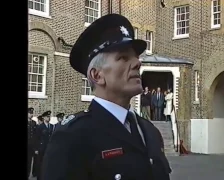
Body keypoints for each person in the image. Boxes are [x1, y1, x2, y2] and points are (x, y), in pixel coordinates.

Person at [41, 14, 171, 180]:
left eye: (136, 57)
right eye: (123, 58)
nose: (138, 63)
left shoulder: (149, 131)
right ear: (97, 75)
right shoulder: (73, 137)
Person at [36, 110, 54, 180]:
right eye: (47, 117)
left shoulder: (52, 126)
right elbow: (37, 138)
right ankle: (39, 177)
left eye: (49, 117)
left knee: (48, 164)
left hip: (49, 148)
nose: (48, 118)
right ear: (43, 117)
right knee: (40, 164)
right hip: (42, 148)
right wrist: (36, 149)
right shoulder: (40, 127)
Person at [28, 107, 37, 178]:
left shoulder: (34, 123)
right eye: (30, 113)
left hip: (32, 146)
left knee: (30, 161)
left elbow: (35, 134)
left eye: (32, 113)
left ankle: (28, 175)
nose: (31, 114)